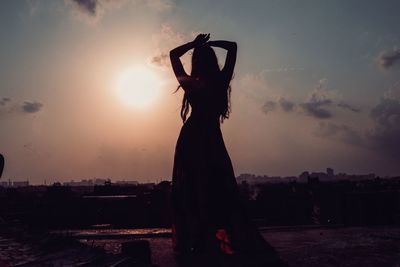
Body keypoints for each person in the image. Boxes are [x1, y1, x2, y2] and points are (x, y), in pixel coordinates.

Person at [170, 34, 287, 266]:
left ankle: (199, 242)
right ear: (213, 61)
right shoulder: (220, 82)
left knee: (194, 190)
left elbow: (174, 55)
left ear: (196, 63)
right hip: (210, 140)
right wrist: (209, 45)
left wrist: (195, 45)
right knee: (217, 189)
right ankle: (212, 241)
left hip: (191, 139)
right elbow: (233, 47)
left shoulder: (191, 84)